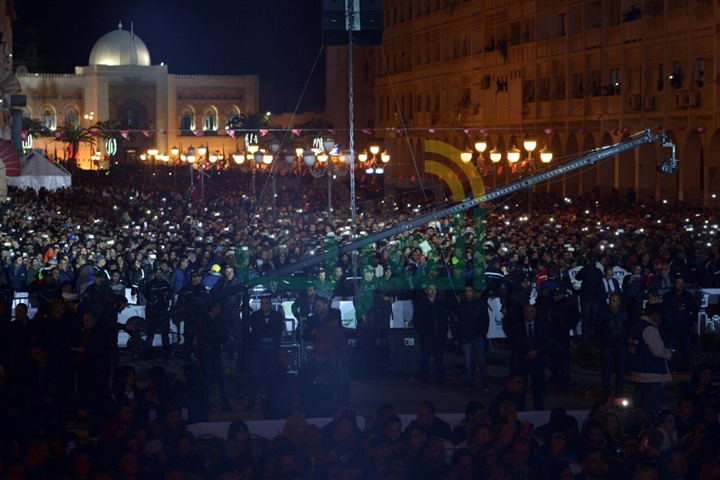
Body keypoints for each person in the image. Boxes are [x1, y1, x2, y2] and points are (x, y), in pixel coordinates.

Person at [628, 303, 673, 416]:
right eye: (660, 316)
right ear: (654, 314)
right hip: (652, 376)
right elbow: (658, 351)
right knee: (651, 412)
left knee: (639, 412)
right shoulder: (649, 329)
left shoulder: (635, 326)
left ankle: (641, 432)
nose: (660, 319)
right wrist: (670, 353)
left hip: (638, 374)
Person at [246, 296, 286, 411]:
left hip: (272, 352)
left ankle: (272, 403)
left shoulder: (277, 316)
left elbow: (276, 332)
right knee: (256, 377)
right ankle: (251, 404)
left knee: (272, 378)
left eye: (266, 303)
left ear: (270, 304)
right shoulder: (255, 316)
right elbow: (257, 332)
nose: (264, 305)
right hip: (259, 351)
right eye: (262, 303)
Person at [451, 285, 491, 391]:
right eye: (466, 291)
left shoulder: (480, 304)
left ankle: (485, 383)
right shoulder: (459, 306)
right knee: (468, 362)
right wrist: (456, 337)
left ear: (472, 292)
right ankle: (469, 383)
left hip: (477, 336)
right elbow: (455, 322)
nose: (467, 293)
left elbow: (485, 320)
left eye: (469, 291)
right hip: (465, 337)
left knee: (481, 361)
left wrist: (483, 333)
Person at [508, 303, 547, 411]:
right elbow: (515, 343)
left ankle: (539, 412)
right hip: (522, 361)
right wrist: (528, 352)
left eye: (530, 311)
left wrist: (537, 352)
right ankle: (521, 412)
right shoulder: (517, 327)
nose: (528, 314)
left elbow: (545, 341)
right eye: (526, 311)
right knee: (521, 389)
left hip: (537, 361)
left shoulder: (541, 326)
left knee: (538, 389)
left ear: (535, 313)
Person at [195, 300, 233, 412]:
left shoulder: (218, 321)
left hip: (214, 353)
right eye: (218, 307)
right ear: (214, 309)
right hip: (207, 354)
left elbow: (222, 335)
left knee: (221, 380)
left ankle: (224, 405)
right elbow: (210, 337)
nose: (220, 310)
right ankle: (206, 406)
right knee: (207, 381)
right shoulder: (203, 321)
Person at [413, 283, 451, 386]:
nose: (432, 291)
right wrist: (422, 332)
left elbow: (444, 319)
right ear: (426, 291)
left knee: (439, 359)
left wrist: (444, 332)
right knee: (425, 359)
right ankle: (424, 380)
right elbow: (417, 320)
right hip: (426, 336)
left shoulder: (441, 303)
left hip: (439, 335)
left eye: (434, 289)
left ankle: (440, 380)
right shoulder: (420, 304)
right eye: (430, 289)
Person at [597, 292, 629, 400]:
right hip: (607, 347)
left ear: (619, 302)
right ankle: (607, 396)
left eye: (614, 300)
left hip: (620, 346)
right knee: (606, 372)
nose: (611, 302)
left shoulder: (624, 315)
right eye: (610, 300)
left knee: (620, 372)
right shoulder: (603, 314)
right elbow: (599, 329)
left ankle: (619, 395)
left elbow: (627, 328)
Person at [662, 277, 697, 372]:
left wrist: (691, 323)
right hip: (672, 330)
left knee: (686, 352)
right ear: (673, 283)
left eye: (681, 282)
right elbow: (664, 311)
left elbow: (694, 310)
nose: (679, 284)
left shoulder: (688, 295)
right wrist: (674, 308)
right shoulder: (668, 296)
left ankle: (686, 373)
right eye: (677, 282)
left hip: (685, 329)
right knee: (672, 353)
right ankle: (672, 373)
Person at [175, 271, 208, 360]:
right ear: (193, 278)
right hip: (189, 317)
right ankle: (188, 355)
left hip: (201, 317)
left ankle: (200, 355)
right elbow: (180, 304)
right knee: (189, 337)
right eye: (198, 277)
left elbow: (206, 302)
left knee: (201, 337)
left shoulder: (202, 288)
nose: (200, 279)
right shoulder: (185, 290)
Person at [143, 267, 172, 359]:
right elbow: (146, 295)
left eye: (160, 272)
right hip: (152, 311)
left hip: (163, 311)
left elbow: (169, 295)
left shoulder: (165, 284)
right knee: (150, 333)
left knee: (165, 333)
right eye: (157, 272)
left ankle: (167, 353)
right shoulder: (150, 284)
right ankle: (148, 353)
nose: (159, 274)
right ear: (154, 274)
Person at [576, 255, 605, 340]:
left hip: (586, 298)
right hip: (596, 298)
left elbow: (577, 277)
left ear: (588, 261)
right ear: (596, 262)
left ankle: (585, 340)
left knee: (585, 320)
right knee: (595, 320)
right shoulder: (598, 271)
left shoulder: (584, 270)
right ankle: (595, 338)